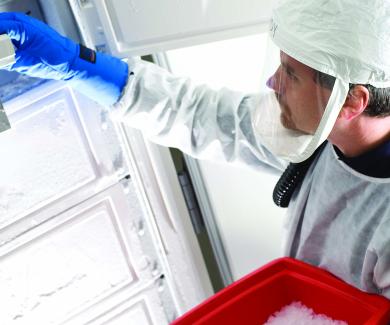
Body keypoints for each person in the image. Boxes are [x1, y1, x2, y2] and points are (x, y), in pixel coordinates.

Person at [0, 0, 389, 298]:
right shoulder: (319, 136)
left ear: (350, 102)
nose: (273, 82)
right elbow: (203, 116)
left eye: (291, 74)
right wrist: (76, 63)